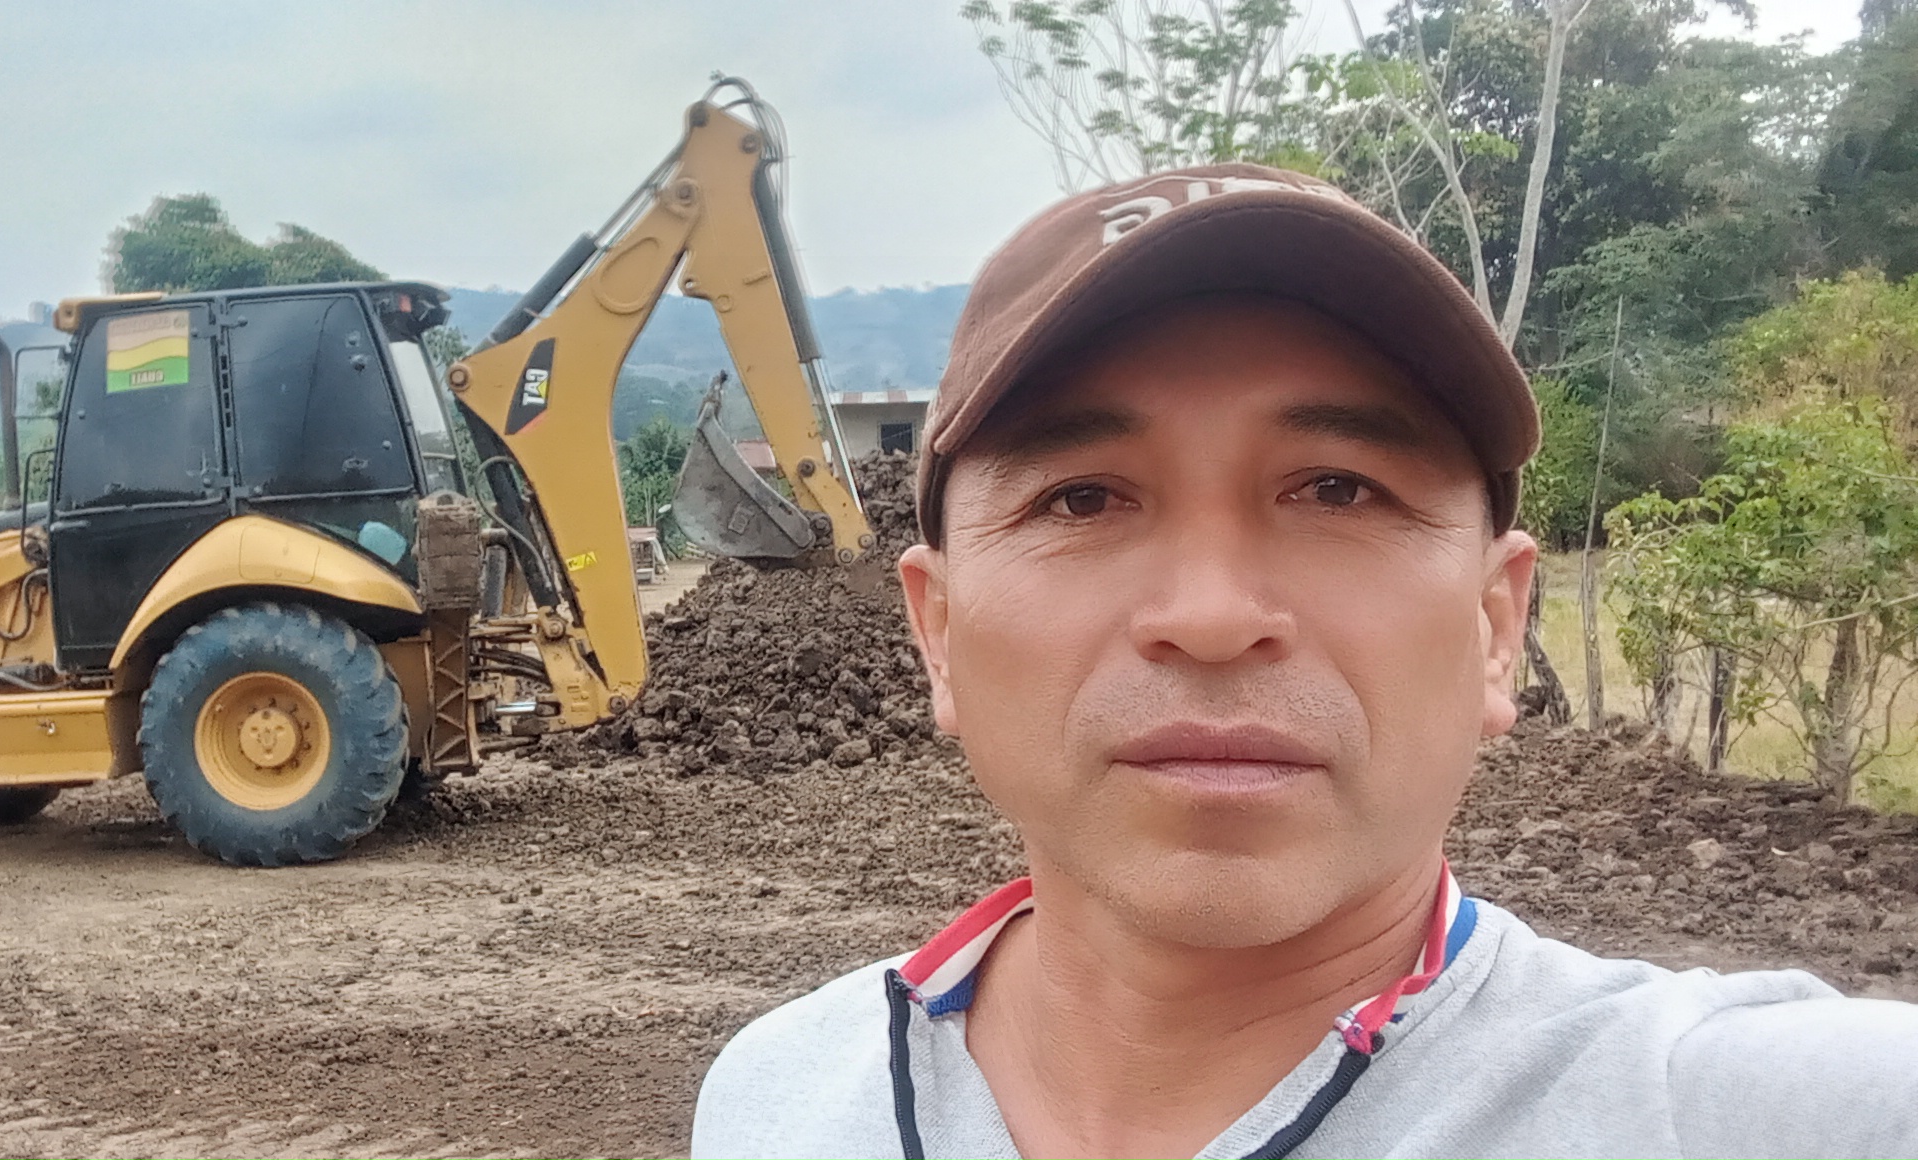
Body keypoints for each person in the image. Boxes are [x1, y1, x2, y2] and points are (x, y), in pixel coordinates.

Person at [689, 164, 1918, 1160]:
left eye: (1339, 488)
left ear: (1495, 626)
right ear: (941, 633)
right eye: (1083, 498)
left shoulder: (1742, 1110)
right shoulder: (780, 1096)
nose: (1213, 615)